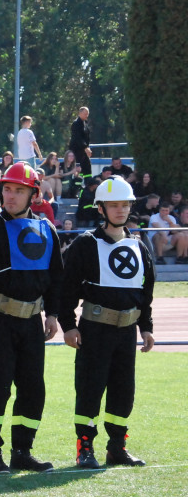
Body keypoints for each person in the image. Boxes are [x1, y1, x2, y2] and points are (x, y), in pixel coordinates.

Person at [0, 161, 63, 474]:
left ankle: (23, 451)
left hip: (32, 322)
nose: (11, 196)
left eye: (19, 190)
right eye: (7, 189)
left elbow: (56, 276)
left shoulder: (47, 229)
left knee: (33, 387)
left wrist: (53, 314)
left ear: (33, 194)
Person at [59, 176, 154, 468]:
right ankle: (85, 448)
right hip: (95, 330)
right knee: (90, 388)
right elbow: (66, 288)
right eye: (113, 205)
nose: (120, 210)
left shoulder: (139, 246)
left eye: (125, 204)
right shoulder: (85, 244)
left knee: (123, 391)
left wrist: (146, 327)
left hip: (126, 332)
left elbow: (145, 291)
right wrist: (68, 325)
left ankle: (117, 447)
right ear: (101, 208)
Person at [69, 107, 92, 177]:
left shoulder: (85, 123)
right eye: (85, 114)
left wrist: (88, 147)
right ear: (80, 113)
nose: (86, 116)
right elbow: (78, 138)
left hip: (84, 152)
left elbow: (86, 137)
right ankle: (78, 184)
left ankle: (89, 183)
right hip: (77, 151)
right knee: (79, 169)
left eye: (87, 114)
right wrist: (85, 147)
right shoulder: (76, 124)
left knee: (87, 169)